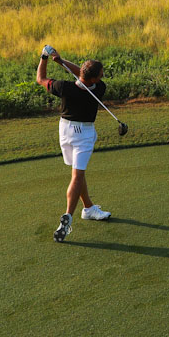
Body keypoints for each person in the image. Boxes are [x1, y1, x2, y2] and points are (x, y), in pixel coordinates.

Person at [36, 45, 111, 242]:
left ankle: (88, 208)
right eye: (101, 74)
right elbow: (83, 74)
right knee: (77, 176)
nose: (102, 77)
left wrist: (45, 58)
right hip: (83, 134)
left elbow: (40, 79)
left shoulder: (63, 87)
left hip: (65, 131)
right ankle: (67, 217)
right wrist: (62, 62)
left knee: (78, 172)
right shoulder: (99, 88)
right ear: (95, 79)